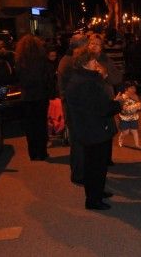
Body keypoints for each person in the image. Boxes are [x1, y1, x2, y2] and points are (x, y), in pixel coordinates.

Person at [65, 47, 122, 210]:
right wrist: (117, 104)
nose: (96, 63)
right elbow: (100, 108)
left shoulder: (84, 79)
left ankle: (97, 192)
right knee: (95, 165)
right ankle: (93, 199)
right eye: (93, 60)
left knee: (97, 164)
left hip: (91, 128)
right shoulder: (86, 83)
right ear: (84, 63)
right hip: (93, 129)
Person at [15, 34, 53, 161]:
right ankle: (42, 152)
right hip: (40, 96)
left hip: (27, 97)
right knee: (41, 124)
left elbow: (18, 78)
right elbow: (48, 77)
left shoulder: (20, 61)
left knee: (30, 126)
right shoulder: (42, 59)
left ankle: (32, 153)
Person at [57, 33, 88, 184]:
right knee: (78, 143)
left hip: (72, 107)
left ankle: (79, 173)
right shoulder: (70, 62)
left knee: (78, 143)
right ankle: (78, 175)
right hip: (73, 108)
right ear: (80, 46)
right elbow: (75, 89)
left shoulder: (66, 60)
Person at [87, 33, 122, 166]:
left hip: (105, 98)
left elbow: (117, 78)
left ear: (101, 47)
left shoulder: (107, 60)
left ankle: (106, 158)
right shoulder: (82, 59)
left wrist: (105, 74)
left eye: (97, 44)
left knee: (108, 129)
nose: (94, 46)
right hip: (89, 100)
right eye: (91, 43)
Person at [117, 81, 141, 150]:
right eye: (131, 88)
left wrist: (139, 105)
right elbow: (117, 103)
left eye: (134, 88)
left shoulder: (135, 96)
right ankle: (121, 138)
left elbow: (140, 105)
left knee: (135, 131)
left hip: (134, 117)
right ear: (126, 89)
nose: (134, 89)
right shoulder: (123, 96)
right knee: (126, 132)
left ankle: (137, 144)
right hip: (124, 118)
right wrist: (117, 99)